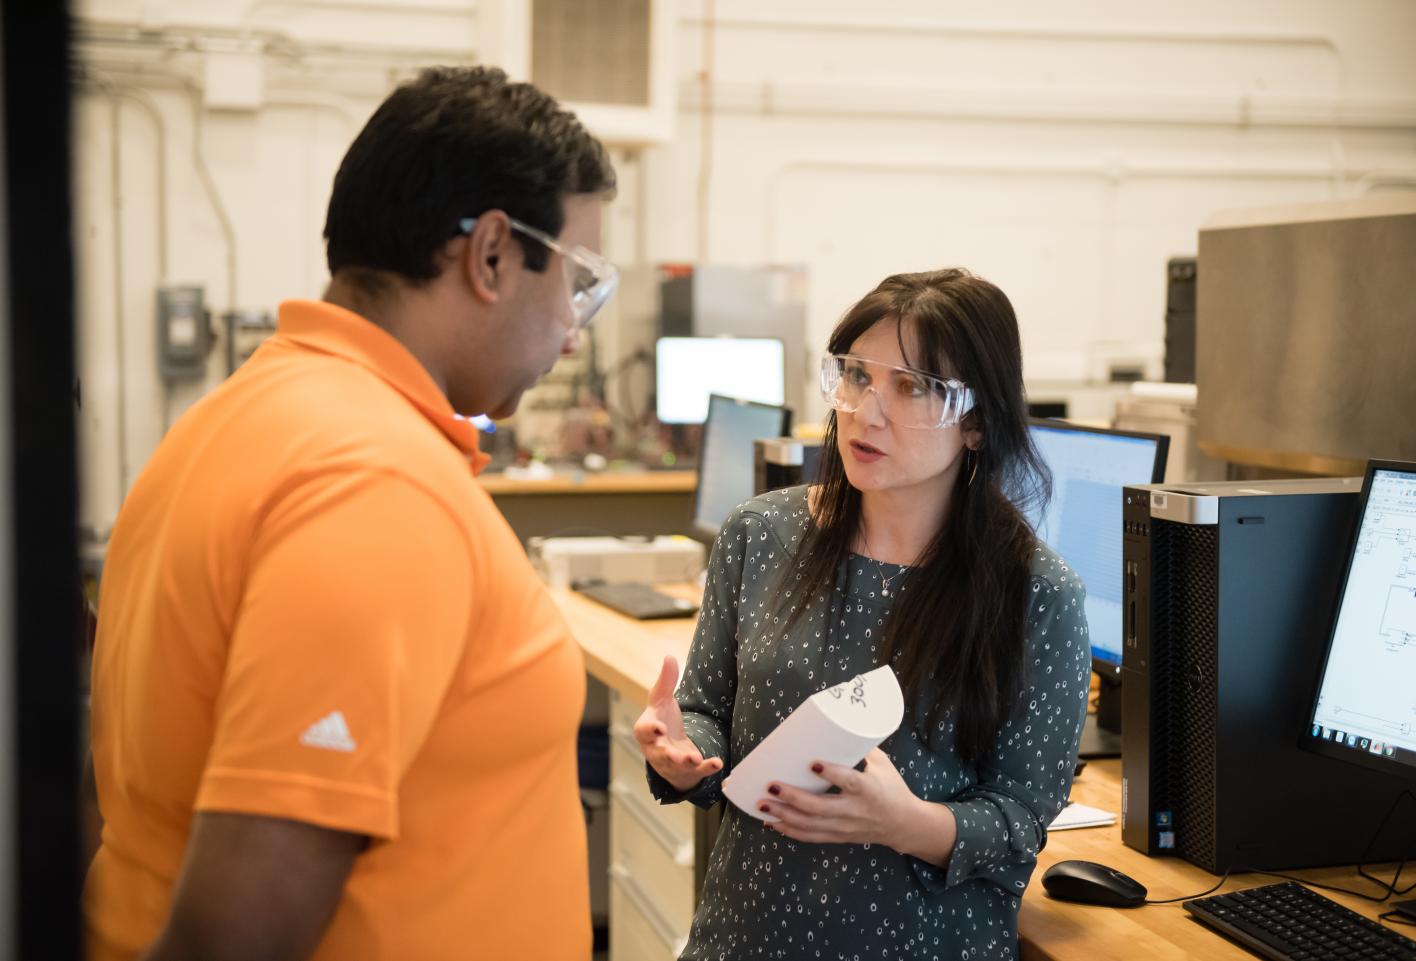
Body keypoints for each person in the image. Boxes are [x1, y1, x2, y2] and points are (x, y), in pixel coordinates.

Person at [84, 66, 616, 961]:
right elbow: (236, 933)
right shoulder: (377, 483)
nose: (573, 330)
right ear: (490, 254)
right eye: (579, 282)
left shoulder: (245, 411)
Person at [635, 268, 1091, 960]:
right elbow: (708, 713)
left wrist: (906, 822)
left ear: (976, 423)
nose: (865, 411)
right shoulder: (761, 534)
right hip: (746, 936)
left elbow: (1023, 818)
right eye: (855, 376)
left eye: (910, 387)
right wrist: (682, 754)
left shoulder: (1036, 593)